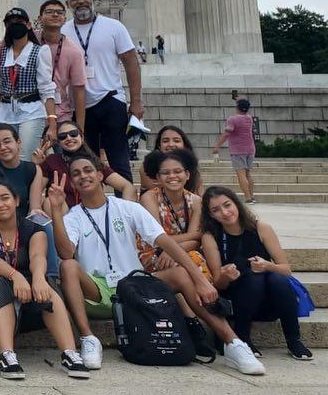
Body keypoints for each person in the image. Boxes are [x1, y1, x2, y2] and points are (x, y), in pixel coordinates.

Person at [48, 155, 264, 375]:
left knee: (180, 274)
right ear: (72, 183)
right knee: (68, 266)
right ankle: (88, 339)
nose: (83, 176)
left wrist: (200, 281)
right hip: (98, 290)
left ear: (101, 175)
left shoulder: (128, 208)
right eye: (76, 174)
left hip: (134, 287)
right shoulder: (73, 216)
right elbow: (66, 252)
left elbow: (165, 242)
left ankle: (234, 344)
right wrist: (56, 210)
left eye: (88, 170)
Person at [0, 180, 90, 380]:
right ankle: (6, 355)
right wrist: (15, 276)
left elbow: (38, 257)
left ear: (16, 200)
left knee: (46, 283)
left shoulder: (33, 228)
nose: (0, 204)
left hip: (27, 302)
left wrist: (39, 278)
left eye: (5, 198)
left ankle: (70, 354)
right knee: (0, 281)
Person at [202, 186, 312, 360]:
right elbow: (217, 284)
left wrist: (268, 265)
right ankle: (243, 337)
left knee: (277, 279)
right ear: (210, 215)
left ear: (236, 204)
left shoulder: (261, 228)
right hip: (236, 301)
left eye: (227, 205)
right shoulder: (211, 236)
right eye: (216, 210)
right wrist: (225, 275)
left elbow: (286, 269)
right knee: (254, 280)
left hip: (269, 300)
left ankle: (294, 340)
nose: (225, 212)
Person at [60, 0, 142, 180]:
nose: (81, 1)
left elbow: (131, 63)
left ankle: (125, 208)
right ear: (68, 4)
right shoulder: (63, 31)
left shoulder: (114, 27)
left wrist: (136, 100)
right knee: (84, 163)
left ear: (93, 0)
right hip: (78, 105)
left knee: (119, 161)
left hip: (110, 99)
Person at [0, 124, 57, 278]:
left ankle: (52, 276)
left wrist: (37, 215)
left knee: (44, 224)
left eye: (7, 141)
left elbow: (34, 208)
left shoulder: (32, 169)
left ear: (18, 142)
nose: (3, 147)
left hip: (22, 222)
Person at [0, 7, 57, 159]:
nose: (14, 25)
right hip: (5, 111)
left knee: (25, 156)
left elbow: (47, 89)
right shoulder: (0, 50)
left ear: (28, 25)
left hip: (31, 110)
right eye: (10, 23)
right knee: (6, 156)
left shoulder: (40, 51)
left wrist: (52, 123)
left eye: (19, 22)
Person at [137, 149, 210, 279]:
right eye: (165, 173)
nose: (172, 176)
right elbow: (157, 239)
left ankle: (203, 298)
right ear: (158, 178)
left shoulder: (196, 201)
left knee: (196, 259)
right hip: (153, 253)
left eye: (177, 171)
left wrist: (173, 251)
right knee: (188, 266)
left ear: (187, 175)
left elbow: (195, 241)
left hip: (183, 250)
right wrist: (194, 235)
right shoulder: (149, 198)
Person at [35, 122, 136, 207]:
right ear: (59, 142)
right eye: (62, 136)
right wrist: (36, 165)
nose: (69, 138)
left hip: (92, 215)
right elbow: (37, 191)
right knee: (49, 202)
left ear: (82, 137)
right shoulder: (52, 161)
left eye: (73, 134)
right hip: (64, 217)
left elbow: (128, 187)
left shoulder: (93, 161)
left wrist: (125, 213)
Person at [37, 0, 86, 130]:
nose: (55, 15)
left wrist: (79, 129)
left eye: (59, 12)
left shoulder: (74, 51)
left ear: (64, 19)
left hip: (61, 115)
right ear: (40, 18)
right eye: (49, 12)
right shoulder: (30, 41)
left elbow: (79, 91)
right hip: (32, 114)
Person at [214, 98, 258, 203]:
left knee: (241, 174)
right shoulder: (249, 118)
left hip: (238, 150)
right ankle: (251, 196)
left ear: (237, 107)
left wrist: (217, 146)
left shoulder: (232, 119)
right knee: (248, 174)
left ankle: (247, 198)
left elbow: (227, 133)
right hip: (250, 149)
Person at [143, 125, 203, 193]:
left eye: (176, 141)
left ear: (184, 145)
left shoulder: (194, 170)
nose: (171, 144)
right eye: (165, 141)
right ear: (159, 146)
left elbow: (199, 196)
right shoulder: (147, 168)